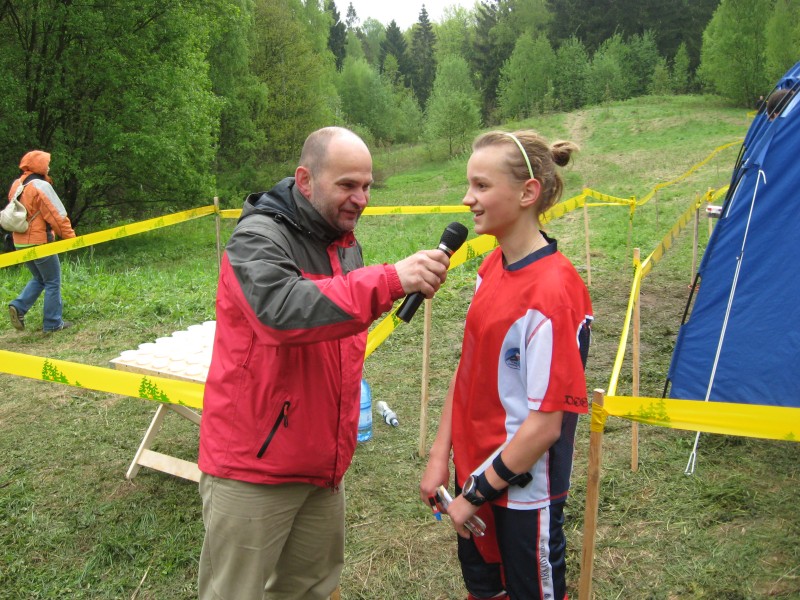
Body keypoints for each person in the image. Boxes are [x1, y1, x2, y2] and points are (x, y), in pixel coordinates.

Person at [197, 126, 450, 600]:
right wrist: (392, 279)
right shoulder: (256, 239)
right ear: (305, 180)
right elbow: (284, 313)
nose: (362, 198)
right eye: (348, 185)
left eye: (368, 185)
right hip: (254, 465)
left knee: (312, 588)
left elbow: (337, 325)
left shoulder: (343, 240)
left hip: (323, 461)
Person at [420, 130, 593, 600]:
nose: (466, 198)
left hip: (519, 495)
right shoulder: (491, 267)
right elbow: (468, 369)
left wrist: (476, 493)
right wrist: (442, 457)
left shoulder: (554, 293)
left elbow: (544, 426)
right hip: (472, 475)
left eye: (480, 186)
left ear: (527, 193)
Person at [7, 150, 75, 332]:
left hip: (19, 242)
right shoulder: (40, 186)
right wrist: (71, 239)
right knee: (52, 280)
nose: (49, 167)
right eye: (47, 163)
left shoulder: (17, 184)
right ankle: (53, 323)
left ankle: (19, 306)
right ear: (40, 165)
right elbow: (56, 215)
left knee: (40, 278)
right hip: (39, 242)